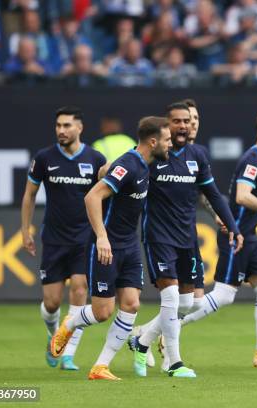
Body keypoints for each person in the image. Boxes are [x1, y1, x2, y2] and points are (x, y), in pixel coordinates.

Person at [50, 116, 172, 381]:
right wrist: (102, 238)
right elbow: (92, 196)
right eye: (167, 140)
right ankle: (70, 323)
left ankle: (100, 366)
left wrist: (106, 169)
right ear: (153, 141)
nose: (170, 145)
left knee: (131, 304)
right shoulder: (130, 164)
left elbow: (105, 172)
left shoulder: (143, 165)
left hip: (130, 246)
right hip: (108, 247)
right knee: (101, 312)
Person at [128, 103, 242, 378]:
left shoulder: (198, 155)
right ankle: (175, 362)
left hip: (188, 239)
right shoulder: (151, 156)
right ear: (166, 126)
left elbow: (213, 194)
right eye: (176, 121)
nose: (182, 126)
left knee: (190, 304)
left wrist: (233, 226)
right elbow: (125, 175)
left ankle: (141, 341)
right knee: (170, 297)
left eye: (186, 121)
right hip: (158, 238)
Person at [180, 110, 257, 368]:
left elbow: (245, 205)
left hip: (249, 233)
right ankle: (170, 327)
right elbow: (242, 197)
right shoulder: (254, 159)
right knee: (223, 295)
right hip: (237, 236)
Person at [21, 106, 107, 371]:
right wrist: (26, 230)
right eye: (58, 125)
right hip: (55, 238)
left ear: (79, 128)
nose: (61, 130)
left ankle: (68, 352)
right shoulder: (45, 158)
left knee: (80, 291)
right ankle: (53, 333)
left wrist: (104, 233)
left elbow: (106, 195)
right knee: (52, 302)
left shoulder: (95, 159)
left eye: (67, 125)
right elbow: (30, 195)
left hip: (84, 238)